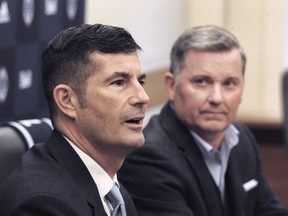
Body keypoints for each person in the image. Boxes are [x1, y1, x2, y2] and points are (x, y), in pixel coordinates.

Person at [118, 25, 288, 216]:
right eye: (201, 81)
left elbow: (268, 210)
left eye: (229, 83)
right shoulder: (148, 157)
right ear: (172, 86)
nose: (217, 98)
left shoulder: (241, 137)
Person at [0, 23, 149, 215]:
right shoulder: (43, 203)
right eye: (119, 82)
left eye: (141, 81)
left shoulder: (112, 189)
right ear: (67, 100)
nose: (143, 97)